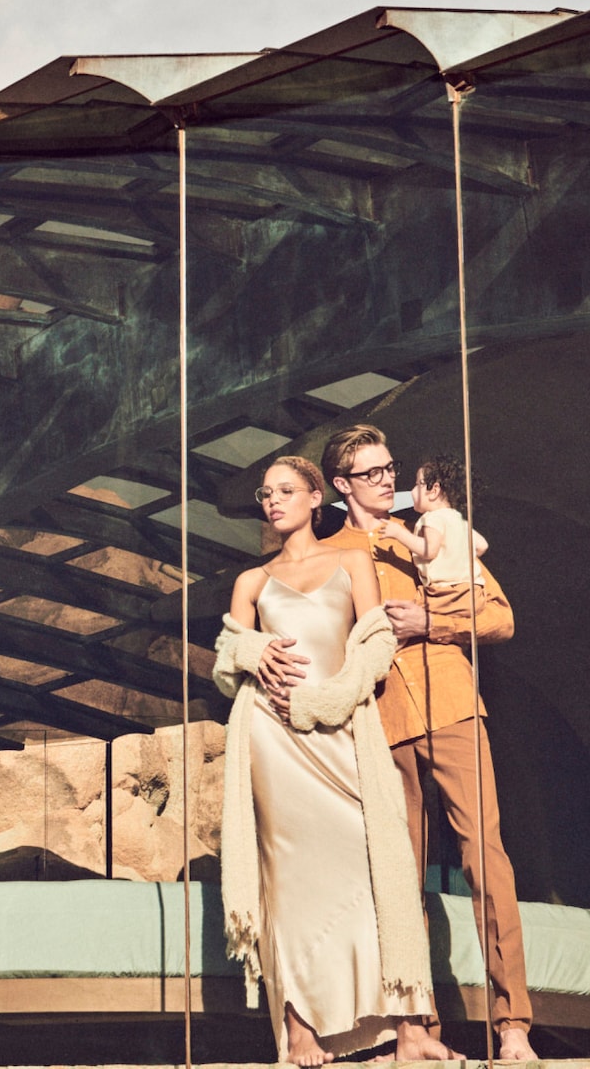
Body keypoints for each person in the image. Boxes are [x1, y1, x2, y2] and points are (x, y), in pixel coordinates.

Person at [211, 455, 447, 1065]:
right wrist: (253, 649)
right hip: (273, 737)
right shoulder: (251, 582)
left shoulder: (351, 561)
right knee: (288, 882)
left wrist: (332, 697)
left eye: (286, 490)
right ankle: (299, 1030)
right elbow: (223, 662)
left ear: (318, 497)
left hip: (341, 733)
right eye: (265, 493)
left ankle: (403, 1023)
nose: (273, 501)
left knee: (374, 871)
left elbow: (375, 646)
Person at [321, 424, 537, 1061]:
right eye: (372, 473)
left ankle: (514, 1026)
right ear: (342, 485)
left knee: (485, 859)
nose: (388, 480)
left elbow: (500, 617)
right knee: (399, 880)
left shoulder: (434, 534)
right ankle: (418, 1033)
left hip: (452, 707)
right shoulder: (332, 549)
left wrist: (432, 621)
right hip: (380, 726)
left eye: (390, 469)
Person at [379, 454, 488, 621]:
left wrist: (399, 533)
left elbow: (429, 551)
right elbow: (481, 546)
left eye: (417, 485)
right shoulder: (457, 519)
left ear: (434, 491)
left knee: (404, 614)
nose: (412, 491)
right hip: (475, 593)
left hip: (446, 593)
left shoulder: (432, 518)